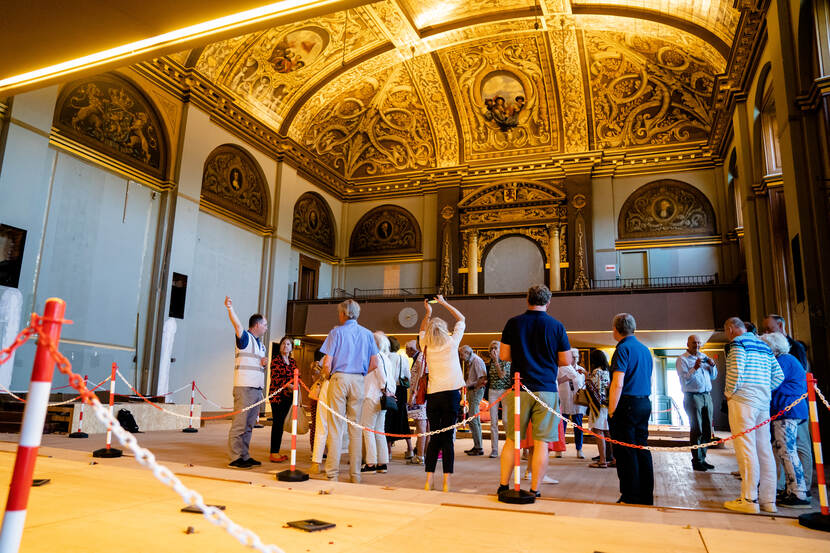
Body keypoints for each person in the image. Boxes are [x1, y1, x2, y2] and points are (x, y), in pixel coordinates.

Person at [497, 284, 572, 498]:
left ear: (527, 300)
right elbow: (566, 360)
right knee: (541, 442)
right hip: (546, 388)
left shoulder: (514, 323)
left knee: (512, 439)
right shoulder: (556, 326)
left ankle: (503, 485)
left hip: (520, 387)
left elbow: (503, 355)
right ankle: (535, 489)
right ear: (548, 302)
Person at [723, 317, 784, 513]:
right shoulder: (764, 346)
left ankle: (749, 499)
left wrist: (730, 393)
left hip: (743, 401)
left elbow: (736, 370)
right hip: (762, 403)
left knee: (746, 449)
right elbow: (778, 376)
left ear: (731, 329)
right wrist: (763, 390)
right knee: (764, 449)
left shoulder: (738, 343)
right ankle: (768, 500)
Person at [320, 299, 379, 483]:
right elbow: (375, 363)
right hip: (358, 380)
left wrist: (327, 376)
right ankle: (355, 475)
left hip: (339, 378)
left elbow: (327, 363)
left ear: (344, 314)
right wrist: (360, 373)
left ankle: (332, 474)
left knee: (335, 427)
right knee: (355, 428)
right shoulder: (368, 334)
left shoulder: (336, 332)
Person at [761, 314, 813, 493]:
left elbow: (773, 383)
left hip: (789, 410)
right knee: (785, 450)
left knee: (790, 450)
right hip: (787, 409)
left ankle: (799, 490)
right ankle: (791, 488)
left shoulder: (784, 360)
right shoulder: (784, 359)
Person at [419, 295, 466, 492]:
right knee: (447, 439)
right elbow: (461, 319)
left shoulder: (425, 345)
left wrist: (428, 311)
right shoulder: (452, 343)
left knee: (434, 438)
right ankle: (447, 481)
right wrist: (443, 303)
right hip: (451, 395)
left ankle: (429, 480)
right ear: (444, 330)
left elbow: (422, 328)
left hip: (434, 396)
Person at [608, 313, 654, 505]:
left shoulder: (623, 349)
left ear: (616, 329)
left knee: (626, 452)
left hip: (626, 404)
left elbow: (618, 382)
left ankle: (630, 495)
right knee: (641, 448)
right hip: (644, 402)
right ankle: (645, 494)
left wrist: (611, 409)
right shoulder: (645, 350)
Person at [224, 296, 268, 469]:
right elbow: (237, 325)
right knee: (239, 424)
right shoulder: (245, 338)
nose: (266, 327)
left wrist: (262, 363)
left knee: (249, 425)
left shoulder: (261, 346)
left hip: (256, 389)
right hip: (244, 388)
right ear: (256, 325)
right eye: (264, 324)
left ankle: (245, 455)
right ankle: (235, 457)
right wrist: (230, 309)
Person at [675, 334, 718, 471]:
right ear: (688, 344)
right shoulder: (682, 359)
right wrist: (695, 368)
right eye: (694, 343)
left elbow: (713, 376)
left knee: (706, 430)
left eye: (699, 343)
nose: (697, 345)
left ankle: (703, 458)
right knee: (697, 429)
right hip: (693, 396)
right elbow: (684, 380)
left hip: (707, 395)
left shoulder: (704, 356)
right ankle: (696, 460)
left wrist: (713, 366)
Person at [360, 332, 397, 474]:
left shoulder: (376, 357)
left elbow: (381, 374)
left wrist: (384, 388)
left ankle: (370, 463)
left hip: (372, 395)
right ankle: (382, 463)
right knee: (379, 430)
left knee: (368, 429)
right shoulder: (386, 357)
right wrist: (389, 391)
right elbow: (390, 377)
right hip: (382, 398)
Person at [268, 336, 296, 463]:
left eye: (288, 344)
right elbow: (276, 378)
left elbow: (297, 377)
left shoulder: (293, 362)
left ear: (291, 347)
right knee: (277, 423)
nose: (285, 346)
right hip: (277, 396)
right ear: (280, 346)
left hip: (289, 397)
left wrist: (294, 386)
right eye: (283, 344)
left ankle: (276, 450)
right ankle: (274, 452)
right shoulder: (276, 360)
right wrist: (289, 385)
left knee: (282, 424)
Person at [385, 336, 413, 460]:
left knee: (388, 418)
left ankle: (389, 450)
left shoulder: (385, 358)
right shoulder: (403, 358)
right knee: (402, 417)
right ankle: (410, 448)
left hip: (389, 389)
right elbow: (408, 376)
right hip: (401, 390)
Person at [556, 348, 587, 459]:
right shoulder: (561, 369)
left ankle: (579, 449)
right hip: (563, 400)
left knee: (578, 426)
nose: (573, 359)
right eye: (571, 357)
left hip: (577, 403)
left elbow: (584, 385)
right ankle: (559, 449)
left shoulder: (581, 370)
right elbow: (556, 382)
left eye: (575, 357)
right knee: (561, 426)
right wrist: (566, 378)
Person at [459, 345, 487, 456]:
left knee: (473, 418)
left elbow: (483, 378)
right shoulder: (471, 361)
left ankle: (479, 447)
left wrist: (475, 389)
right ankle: (477, 445)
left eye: (462, 354)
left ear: (467, 352)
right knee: (473, 418)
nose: (461, 357)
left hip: (475, 391)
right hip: (472, 390)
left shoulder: (476, 361)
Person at [588, 350, 614, 468]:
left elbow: (591, 387)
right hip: (607, 404)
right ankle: (613, 458)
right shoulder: (608, 371)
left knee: (598, 432)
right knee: (608, 433)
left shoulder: (596, 371)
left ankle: (602, 460)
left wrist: (586, 377)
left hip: (597, 406)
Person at [486, 340, 512, 458]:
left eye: (496, 348)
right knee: (493, 421)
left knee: (506, 420)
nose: (493, 350)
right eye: (491, 348)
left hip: (505, 391)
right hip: (493, 391)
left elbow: (502, 375)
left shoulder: (506, 361)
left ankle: (509, 446)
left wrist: (496, 361)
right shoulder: (490, 362)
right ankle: (494, 449)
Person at [406, 340, 429, 464]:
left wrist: (413, 394)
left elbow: (420, 376)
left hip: (419, 396)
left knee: (421, 426)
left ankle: (420, 456)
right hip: (425, 395)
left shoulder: (421, 356)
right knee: (426, 426)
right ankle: (424, 453)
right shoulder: (426, 355)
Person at [309, 349, 329, 475]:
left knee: (320, 426)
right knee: (337, 428)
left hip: (326, 388)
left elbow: (324, 371)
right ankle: (331, 462)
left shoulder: (328, 356)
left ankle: (316, 461)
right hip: (343, 388)